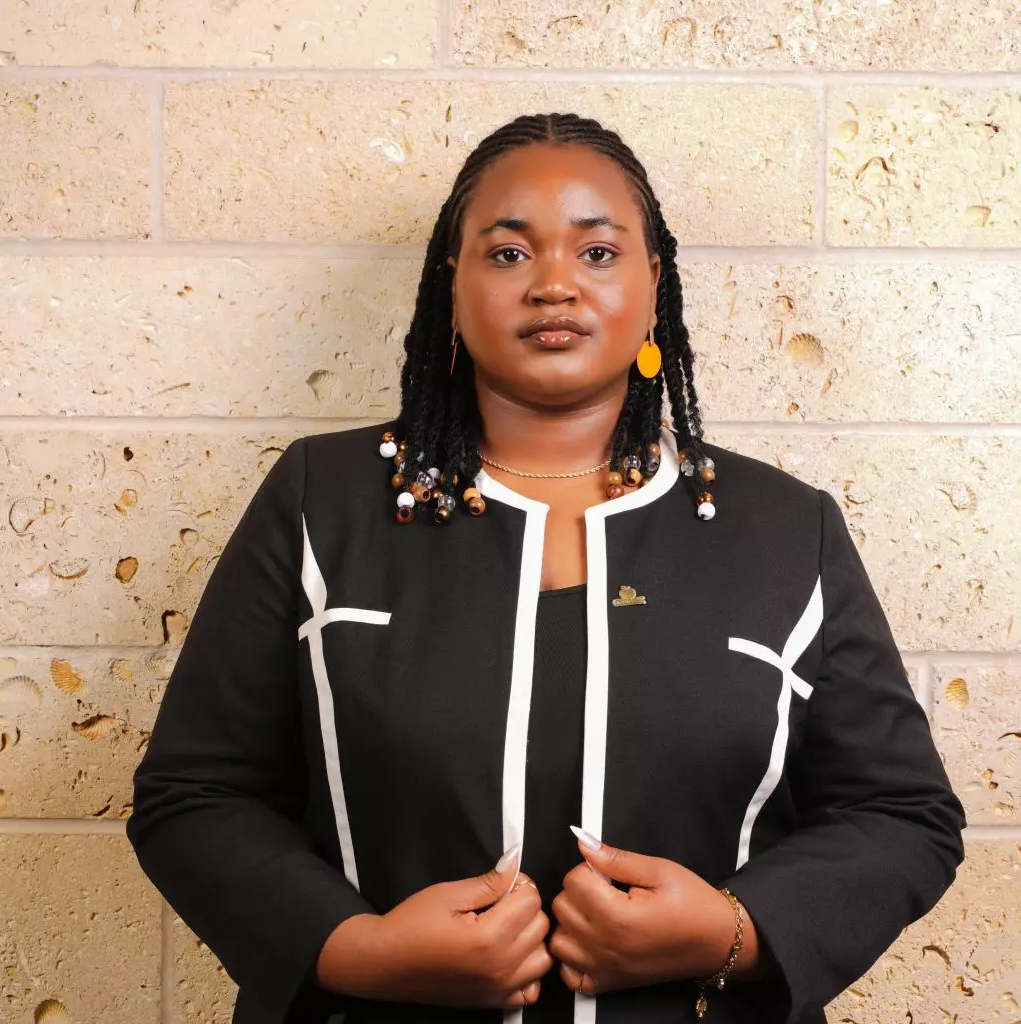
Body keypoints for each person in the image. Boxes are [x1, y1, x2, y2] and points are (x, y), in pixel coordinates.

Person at [126, 113, 966, 1024]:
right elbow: (195, 794)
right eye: (509, 254)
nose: (555, 284)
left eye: (598, 253)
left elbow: (901, 814)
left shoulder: (786, 529)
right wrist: (361, 953)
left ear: (654, 283)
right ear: (452, 284)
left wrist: (732, 932)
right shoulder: (319, 502)